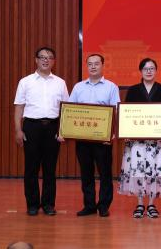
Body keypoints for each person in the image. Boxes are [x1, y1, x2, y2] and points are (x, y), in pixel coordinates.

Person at [13, 47, 69, 216]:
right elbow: (19, 107)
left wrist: (63, 130)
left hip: (52, 127)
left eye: (50, 57)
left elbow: (66, 109)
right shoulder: (25, 82)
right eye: (42, 57)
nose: (46, 60)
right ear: (36, 60)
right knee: (31, 168)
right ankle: (32, 204)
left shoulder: (60, 82)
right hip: (32, 127)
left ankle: (48, 204)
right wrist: (18, 130)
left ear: (53, 61)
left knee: (50, 169)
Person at [118, 58, 161, 219]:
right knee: (138, 170)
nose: (149, 71)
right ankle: (140, 204)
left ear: (156, 71)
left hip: (157, 140)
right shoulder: (133, 90)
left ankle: (151, 204)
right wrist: (126, 132)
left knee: (155, 171)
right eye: (145, 68)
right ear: (140, 71)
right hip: (137, 141)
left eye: (152, 68)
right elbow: (127, 114)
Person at [68, 53, 120, 217]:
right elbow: (69, 110)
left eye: (96, 63)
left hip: (102, 138)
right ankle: (89, 205)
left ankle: (103, 206)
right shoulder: (78, 87)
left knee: (105, 173)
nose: (93, 66)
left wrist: (111, 134)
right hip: (82, 138)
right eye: (90, 64)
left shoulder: (111, 87)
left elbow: (115, 111)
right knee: (86, 173)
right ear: (87, 66)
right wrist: (65, 131)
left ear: (102, 65)